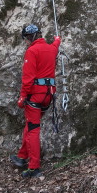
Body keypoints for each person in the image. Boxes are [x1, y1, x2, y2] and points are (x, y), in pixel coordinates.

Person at [10, 24, 61, 178]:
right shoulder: (52, 48)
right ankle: (21, 156)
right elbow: (56, 44)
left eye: (26, 38)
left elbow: (28, 79)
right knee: (31, 124)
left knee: (33, 130)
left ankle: (34, 167)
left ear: (30, 37)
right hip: (48, 95)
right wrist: (58, 40)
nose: (26, 41)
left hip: (35, 96)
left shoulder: (32, 51)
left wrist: (22, 98)